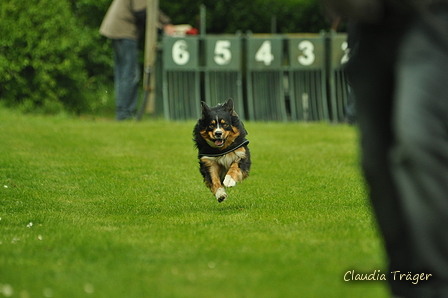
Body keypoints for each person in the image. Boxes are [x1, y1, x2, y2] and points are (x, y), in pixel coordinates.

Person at [321, 0, 448, 297]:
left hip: (432, 17)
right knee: (376, 163)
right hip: (368, 23)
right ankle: (407, 285)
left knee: (419, 139)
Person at [100, 0, 174, 120]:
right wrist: (161, 28)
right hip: (124, 31)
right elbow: (141, 13)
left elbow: (152, 9)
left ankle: (122, 112)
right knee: (130, 74)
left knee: (122, 73)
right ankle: (125, 114)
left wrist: (166, 22)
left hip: (116, 29)